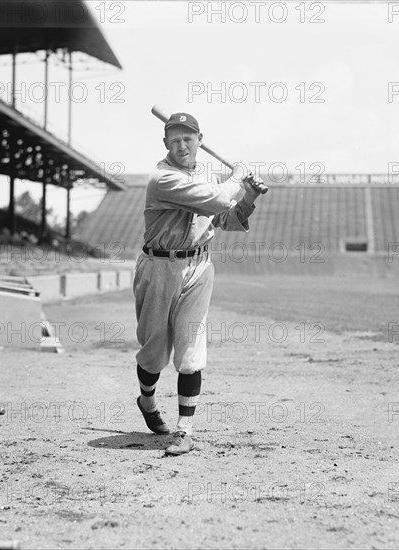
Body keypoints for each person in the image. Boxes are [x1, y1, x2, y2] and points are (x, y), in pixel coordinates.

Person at [133, 111, 266, 455]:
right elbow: (219, 199)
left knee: (191, 351)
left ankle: (184, 430)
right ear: (165, 144)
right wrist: (237, 177)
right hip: (159, 268)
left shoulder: (205, 178)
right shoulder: (162, 179)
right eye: (174, 139)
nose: (182, 145)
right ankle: (147, 402)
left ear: (199, 140)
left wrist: (248, 195)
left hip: (199, 266)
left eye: (188, 138)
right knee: (154, 354)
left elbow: (227, 217)